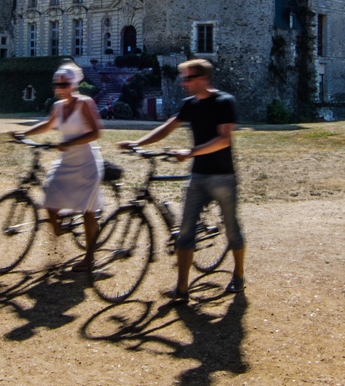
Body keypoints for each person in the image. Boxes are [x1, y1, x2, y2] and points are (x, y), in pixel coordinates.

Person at [118, 58, 245, 301]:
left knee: (232, 230)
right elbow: (168, 127)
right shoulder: (189, 104)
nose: (182, 83)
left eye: (188, 78)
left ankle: (238, 275)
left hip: (223, 176)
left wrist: (190, 153)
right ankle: (182, 289)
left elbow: (224, 140)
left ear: (202, 79)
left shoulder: (224, 102)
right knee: (185, 233)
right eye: (183, 78)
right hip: (198, 176)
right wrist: (138, 143)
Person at [14, 63, 105, 272]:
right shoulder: (58, 107)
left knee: (88, 212)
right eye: (57, 84)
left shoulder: (85, 103)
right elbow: (47, 125)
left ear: (73, 84)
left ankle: (90, 257)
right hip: (66, 162)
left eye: (64, 84)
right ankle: (61, 229)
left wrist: (70, 142)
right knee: (50, 202)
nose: (60, 87)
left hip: (87, 163)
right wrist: (24, 133)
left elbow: (96, 133)